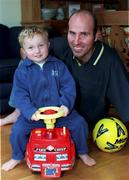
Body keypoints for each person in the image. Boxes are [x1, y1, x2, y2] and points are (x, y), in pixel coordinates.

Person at [1, 26, 96, 171]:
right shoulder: (22, 71)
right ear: (23, 51)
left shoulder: (58, 65)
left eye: (41, 45)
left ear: (48, 45)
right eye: (31, 47)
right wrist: (30, 111)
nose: (37, 51)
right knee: (18, 131)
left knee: (80, 124)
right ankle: (17, 156)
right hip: (35, 116)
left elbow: (68, 86)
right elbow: (20, 95)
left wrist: (65, 105)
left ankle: (82, 152)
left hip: (60, 113)